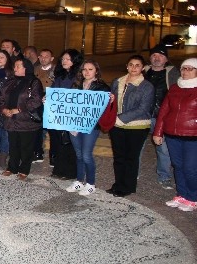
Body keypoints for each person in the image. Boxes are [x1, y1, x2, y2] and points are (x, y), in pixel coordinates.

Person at [153, 58, 197, 211]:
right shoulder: (174, 88)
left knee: (190, 168)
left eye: (190, 69)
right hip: (173, 134)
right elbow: (164, 111)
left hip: (192, 136)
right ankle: (182, 195)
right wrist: (158, 131)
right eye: (183, 68)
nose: (185, 72)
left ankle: (193, 197)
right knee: (177, 166)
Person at [107, 55, 154, 198]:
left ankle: (128, 186)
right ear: (127, 66)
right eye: (131, 65)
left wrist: (120, 119)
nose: (134, 68)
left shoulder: (147, 86)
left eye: (137, 65)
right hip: (116, 125)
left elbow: (143, 108)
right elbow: (112, 101)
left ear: (143, 68)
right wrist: (111, 101)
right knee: (119, 157)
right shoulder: (117, 81)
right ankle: (118, 184)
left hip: (137, 127)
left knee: (131, 158)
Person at [65, 60, 112, 196]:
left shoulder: (102, 87)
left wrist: (111, 100)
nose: (87, 72)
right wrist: (49, 100)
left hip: (91, 126)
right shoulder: (77, 85)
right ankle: (79, 180)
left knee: (86, 155)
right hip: (74, 124)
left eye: (90, 69)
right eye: (84, 69)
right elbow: (67, 101)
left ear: (96, 71)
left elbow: (106, 107)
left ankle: (91, 183)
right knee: (78, 154)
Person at [0, 58, 43, 180]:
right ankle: (12, 167)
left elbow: (36, 100)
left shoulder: (34, 82)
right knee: (13, 145)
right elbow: (2, 98)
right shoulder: (11, 82)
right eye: (15, 66)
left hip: (26, 121)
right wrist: (4, 109)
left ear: (26, 68)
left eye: (18, 66)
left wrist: (19, 109)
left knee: (26, 146)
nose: (15, 69)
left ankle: (24, 169)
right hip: (11, 120)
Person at [144, 45, 180, 190]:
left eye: (160, 56)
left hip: (162, 117)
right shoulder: (143, 71)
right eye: (154, 55)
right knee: (136, 147)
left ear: (166, 59)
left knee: (163, 149)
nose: (156, 58)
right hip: (143, 116)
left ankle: (164, 176)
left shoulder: (173, 74)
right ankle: (133, 174)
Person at [49, 49, 83, 179]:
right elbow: (54, 91)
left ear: (75, 61)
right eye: (63, 59)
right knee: (59, 142)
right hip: (59, 114)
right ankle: (59, 170)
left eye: (68, 59)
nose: (64, 61)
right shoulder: (60, 76)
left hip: (72, 115)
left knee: (70, 143)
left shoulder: (79, 77)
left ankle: (70, 172)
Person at [33, 48, 55, 163]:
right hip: (37, 101)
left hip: (51, 101)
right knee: (38, 128)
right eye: (41, 56)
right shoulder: (34, 69)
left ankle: (53, 156)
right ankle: (38, 152)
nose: (43, 58)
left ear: (51, 58)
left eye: (46, 56)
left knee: (52, 129)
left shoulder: (56, 70)